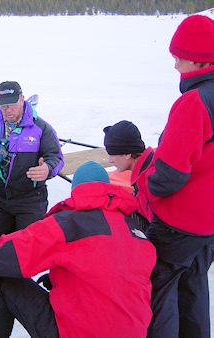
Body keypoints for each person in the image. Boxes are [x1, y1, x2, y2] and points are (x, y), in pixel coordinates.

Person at [0, 161, 156, 338]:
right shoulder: (135, 232)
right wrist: (60, 276)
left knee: (1, 277)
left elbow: (18, 250)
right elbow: (110, 269)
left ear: (76, 190)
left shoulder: (71, 223)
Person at [136, 14, 214, 338]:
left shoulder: (193, 103)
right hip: (207, 224)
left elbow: (170, 174)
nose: (174, 65)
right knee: (193, 289)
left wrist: (142, 186)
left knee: (158, 292)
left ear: (197, 60)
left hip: (179, 223)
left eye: (178, 57)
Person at [0, 81, 64, 242]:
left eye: (12, 104)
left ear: (22, 99)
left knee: (28, 245)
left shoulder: (40, 127)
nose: (8, 110)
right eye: (3, 105)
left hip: (30, 198)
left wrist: (48, 168)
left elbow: (56, 156)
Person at [103, 120, 154, 224]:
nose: (110, 160)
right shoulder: (148, 167)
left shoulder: (149, 181)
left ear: (127, 154)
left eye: (112, 154)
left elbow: (157, 226)